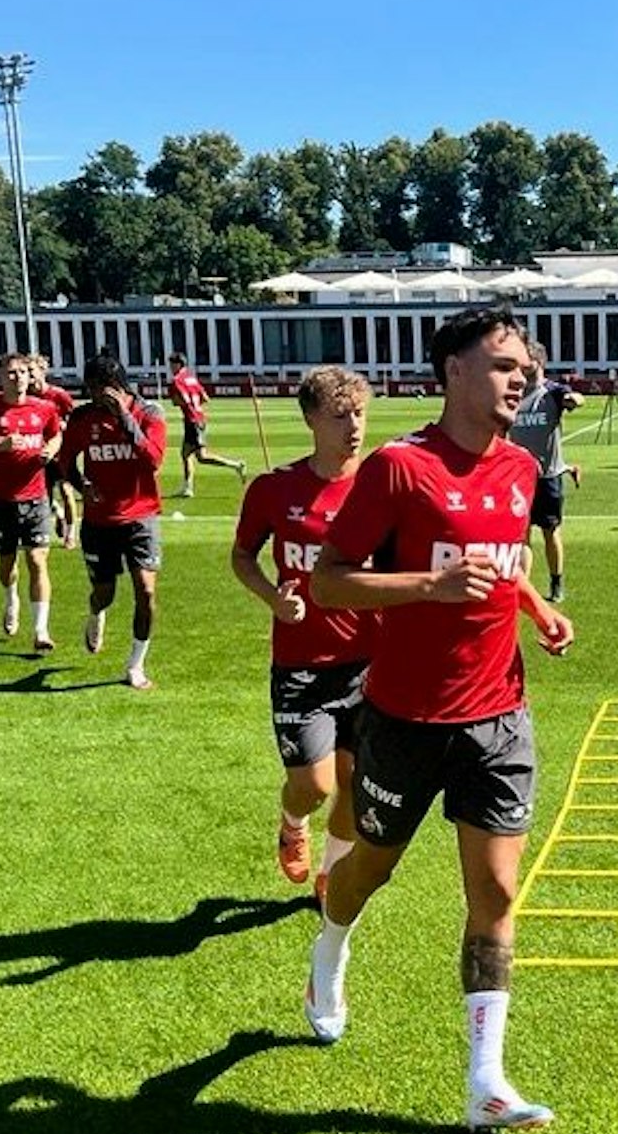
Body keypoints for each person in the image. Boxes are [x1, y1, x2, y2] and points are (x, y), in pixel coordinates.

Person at [303, 306, 574, 1132]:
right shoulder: (398, 467)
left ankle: (485, 1080)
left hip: (500, 716)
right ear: (453, 369)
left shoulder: (523, 468)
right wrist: (425, 586)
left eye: (523, 365)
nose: (519, 376)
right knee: (365, 875)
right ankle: (328, 949)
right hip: (404, 719)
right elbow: (330, 581)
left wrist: (534, 605)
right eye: (501, 364)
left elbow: (498, 560)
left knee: (495, 890)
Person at [230, 366, 380, 900]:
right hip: (300, 665)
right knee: (313, 786)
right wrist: (272, 596)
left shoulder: (382, 486)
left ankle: (332, 875)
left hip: (370, 663)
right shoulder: (276, 488)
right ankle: (293, 823)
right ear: (312, 420)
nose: (354, 427)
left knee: (354, 786)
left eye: (360, 414)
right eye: (340, 417)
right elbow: (242, 556)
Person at [61, 352, 167, 688]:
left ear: (119, 386)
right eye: (90, 389)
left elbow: (153, 460)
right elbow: (63, 463)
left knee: (146, 592)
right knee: (104, 593)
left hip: (141, 517)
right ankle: (96, 612)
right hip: (99, 521)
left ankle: (135, 665)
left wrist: (124, 418)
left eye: (101, 389)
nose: (96, 397)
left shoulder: (149, 413)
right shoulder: (82, 419)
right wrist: (82, 486)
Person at [0, 354, 61, 650]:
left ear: (30, 376)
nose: (17, 377)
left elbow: (56, 436)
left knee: (37, 560)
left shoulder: (44, 408)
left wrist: (50, 450)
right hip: (1, 500)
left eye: (22, 372)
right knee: (8, 564)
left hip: (36, 497)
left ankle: (41, 630)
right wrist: (0, 446)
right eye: (10, 373)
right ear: (0, 378)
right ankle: (10, 597)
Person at [509, 341, 582, 602]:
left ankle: (556, 582)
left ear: (538, 362)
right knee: (521, 535)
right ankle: (522, 590)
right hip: (518, 479)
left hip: (548, 477)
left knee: (551, 532)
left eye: (525, 361)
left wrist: (574, 400)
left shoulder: (552, 392)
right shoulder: (513, 392)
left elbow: (572, 398)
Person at [167, 353, 245, 499]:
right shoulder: (191, 378)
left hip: (192, 421)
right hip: (199, 418)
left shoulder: (177, 381)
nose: (170, 368)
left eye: (171, 364)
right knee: (187, 454)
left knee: (199, 456)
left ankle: (236, 465)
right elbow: (205, 398)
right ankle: (187, 487)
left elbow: (183, 400)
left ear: (178, 364)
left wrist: (177, 402)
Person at [32, 358, 81, 545]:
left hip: (60, 452)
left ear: (42, 371)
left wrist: (64, 426)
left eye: (32, 370)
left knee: (66, 490)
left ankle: (71, 531)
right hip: (37, 454)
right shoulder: (26, 396)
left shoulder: (58, 395)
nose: (29, 375)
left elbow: (76, 418)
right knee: (41, 496)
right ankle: (56, 515)